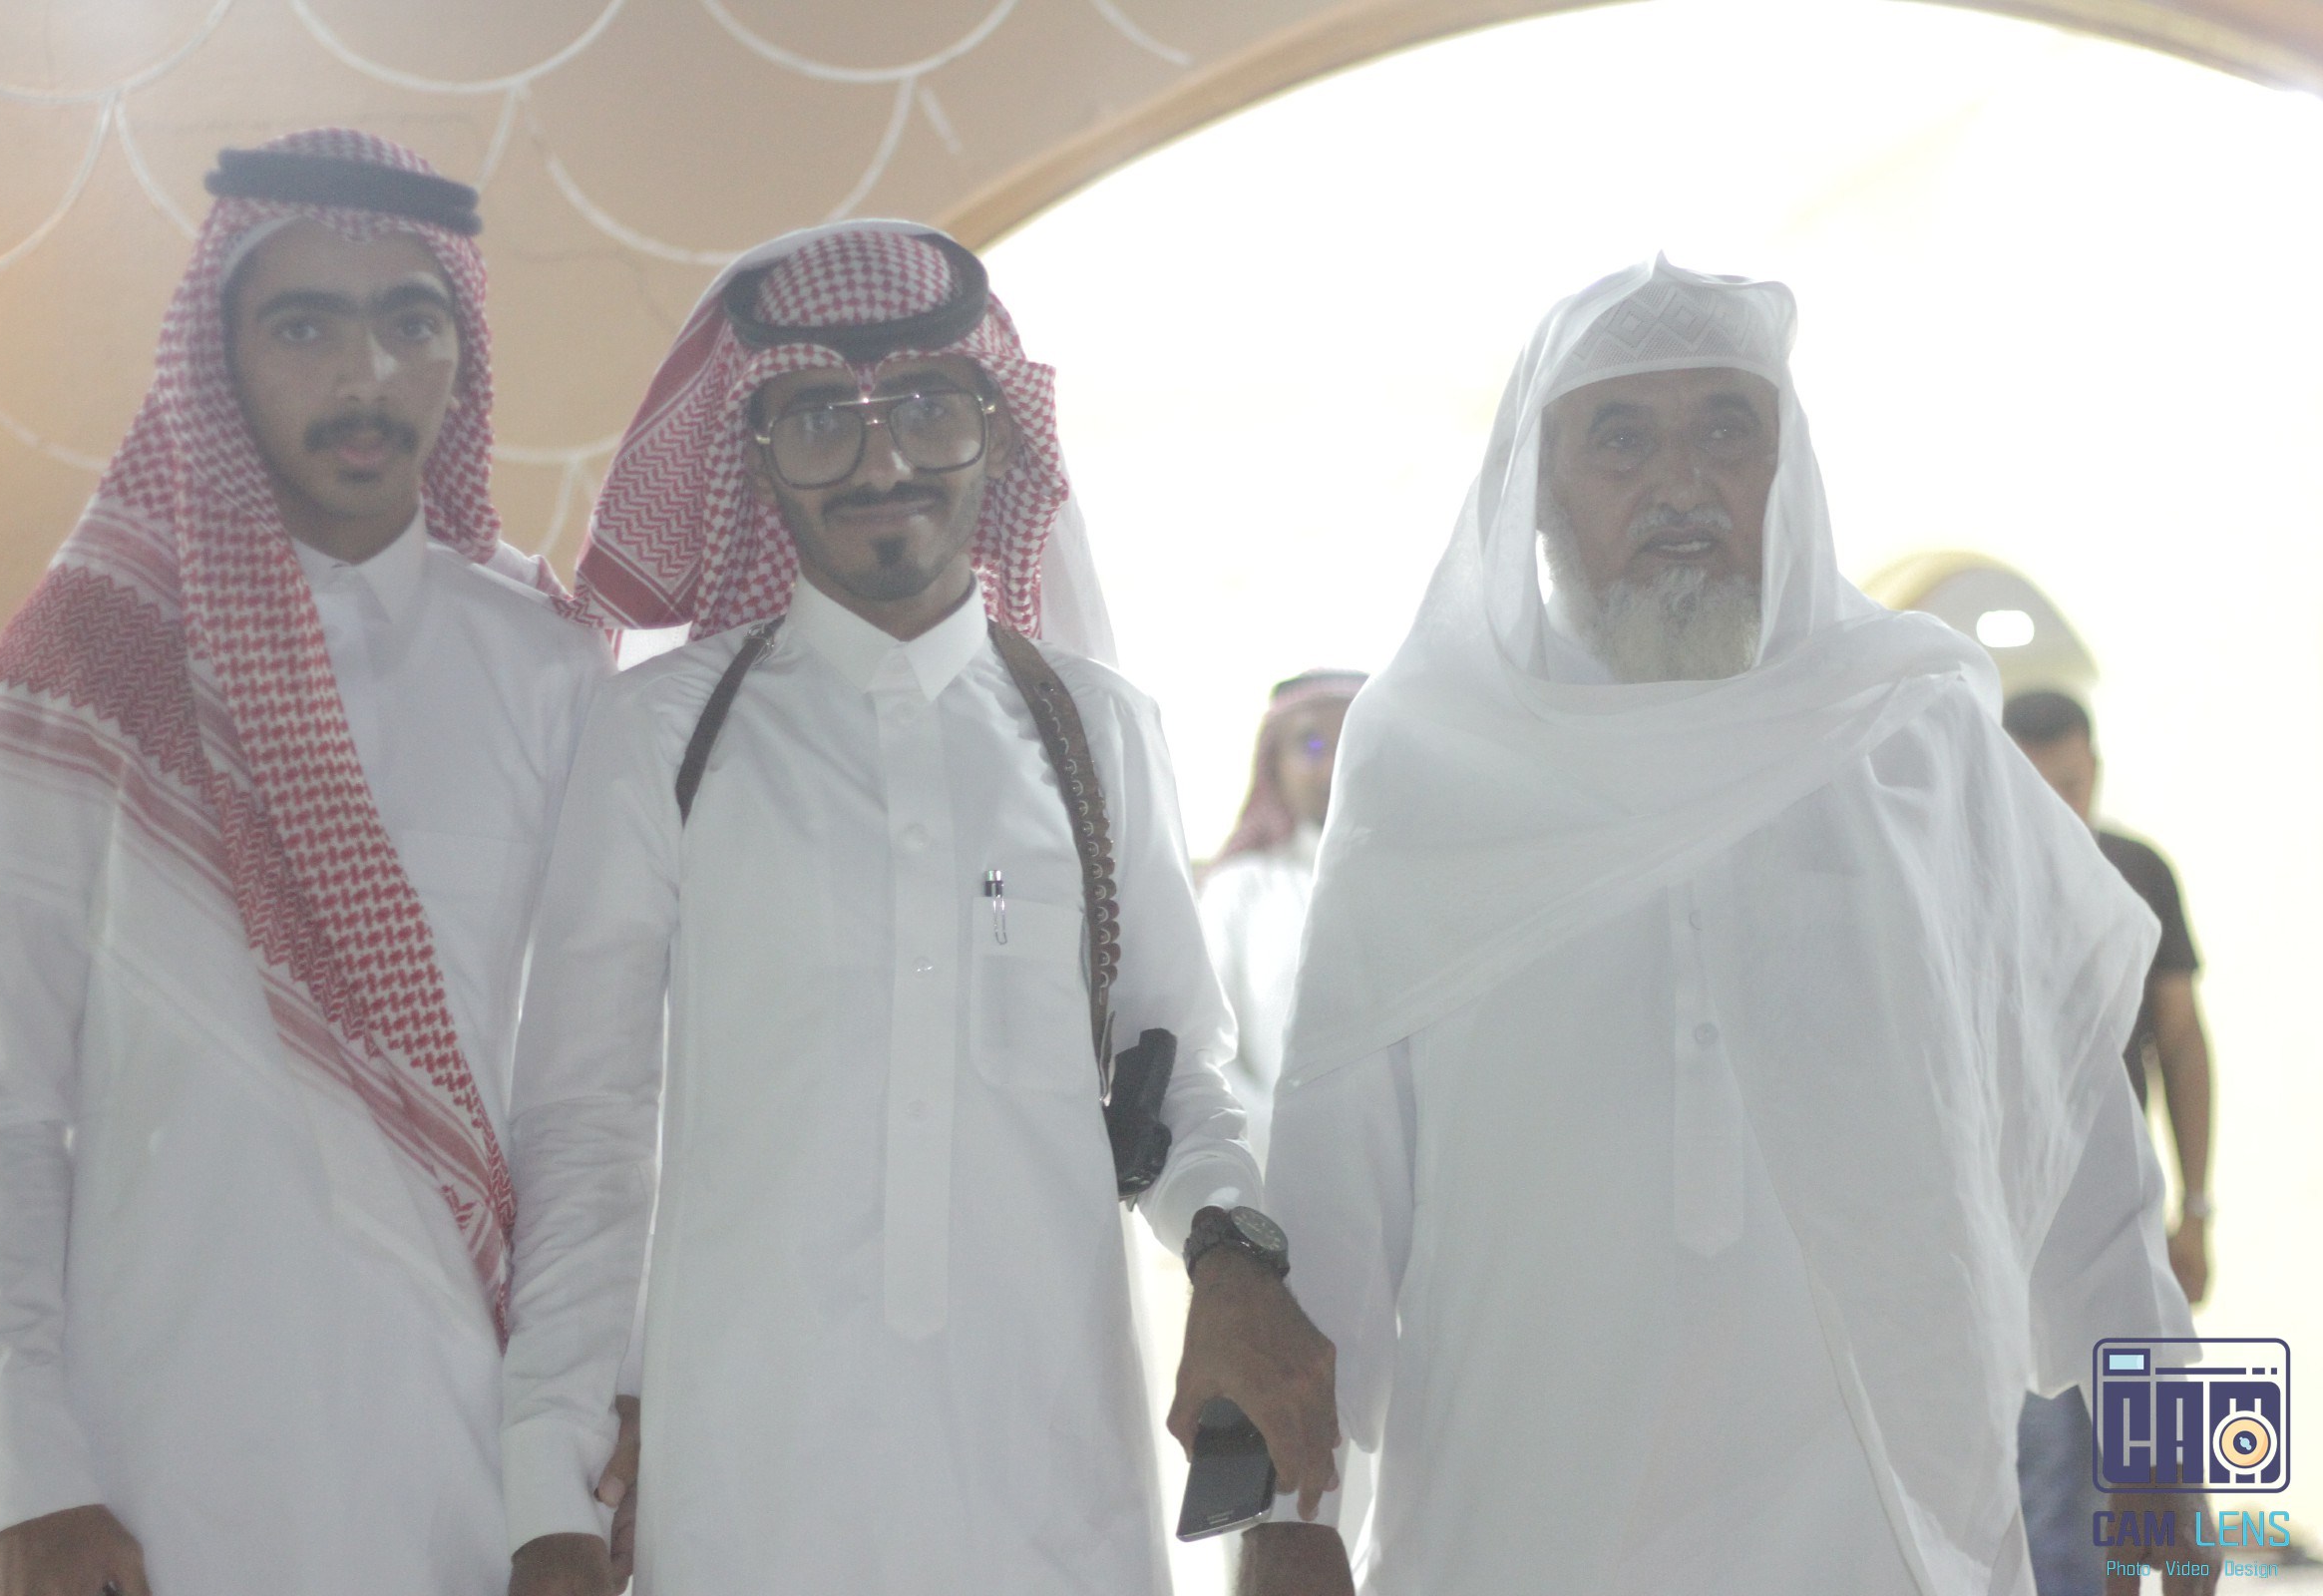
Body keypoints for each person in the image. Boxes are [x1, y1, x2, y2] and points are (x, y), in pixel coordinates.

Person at [1242, 258, 2204, 1596]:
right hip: (1520, 1533)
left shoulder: (1917, 741)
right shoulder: (1429, 762)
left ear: (1784, 468)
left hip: (1883, 1540)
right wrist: (1287, 1521)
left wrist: (2174, 1472)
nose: (1680, 483)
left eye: (1726, 429)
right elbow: (1330, 1188)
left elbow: (2098, 1159)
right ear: (1538, 485)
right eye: (1621, 438)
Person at [500, 220, 1340, 1596]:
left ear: (999, 437)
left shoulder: (1096, 734)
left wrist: (1232, 1256)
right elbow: (587, 1131)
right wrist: (550, 1487)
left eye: (929, 409)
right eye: (821, 418)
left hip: (1055, 1504)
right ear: (757, 454)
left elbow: (1182, 1077)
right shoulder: (663, 736)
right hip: (749, 1510)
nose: (881, 461)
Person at [0, 131, 611, 1596]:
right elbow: (0, 1106)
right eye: (304, 326)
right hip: (149, 1450)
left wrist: (564, 1467)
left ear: (462, 353)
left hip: (465, 1443)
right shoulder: (89, 670)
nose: (366, 373)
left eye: (410, 321)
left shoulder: (548, 670)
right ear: (220, 357)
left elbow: (583, 1107)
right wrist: (28, 1471)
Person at [2002, 686, 2213, 1596]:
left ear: (2095, 772)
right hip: (2016, 1224)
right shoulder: (1973, 876)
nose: (2059, 808)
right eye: (2036, 787)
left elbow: (2182, 1039)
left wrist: (2195, 1208)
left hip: (2116, 1201)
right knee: (2051, 1484)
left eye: (2073, 785)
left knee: (2152, 1475)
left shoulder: (2134, 870)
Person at [1199, 669, 1365, 1167]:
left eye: (1356, 740)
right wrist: (1293, 1153)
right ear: (1276, 767)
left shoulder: (1437, 884)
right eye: (1311, 746)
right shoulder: (1240, 891)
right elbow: (1209, 1057)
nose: (1335, 765)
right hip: (1286, 1174)